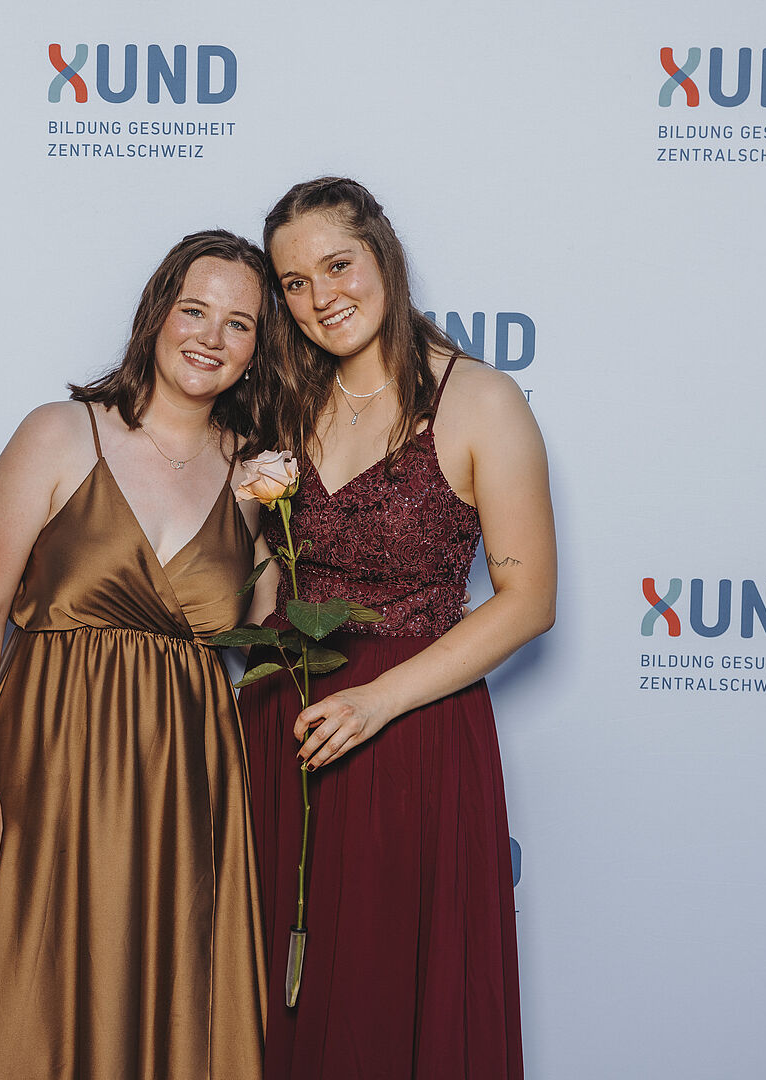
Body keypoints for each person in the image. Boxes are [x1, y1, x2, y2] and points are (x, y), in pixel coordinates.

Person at [0, 230, 278, 1080]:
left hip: (184, 783)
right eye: (194, 310)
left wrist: (277, 519)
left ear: (256, 351)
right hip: (48, 766)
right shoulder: (57, 434)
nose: (210, 337)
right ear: (156, 315)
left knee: (167, 994)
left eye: (238, 324)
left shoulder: (252, 475)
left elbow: (269, 639)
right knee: (30, 994)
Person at [239, 177, 556, 1080]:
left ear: (383, 254)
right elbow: (267, 583)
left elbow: (528, 599)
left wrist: (376, 701)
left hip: (410, 731)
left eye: (337, 265)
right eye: (293, 283)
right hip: (283, 723)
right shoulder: (287, 400)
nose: (320, 297)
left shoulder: (480, 400)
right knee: (270, 988)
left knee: (382, 995)